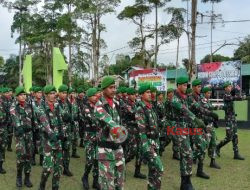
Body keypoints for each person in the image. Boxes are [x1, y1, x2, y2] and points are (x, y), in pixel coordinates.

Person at [171, 77, 206, 190]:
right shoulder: (174, 98)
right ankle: (186, 182)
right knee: (187, 154)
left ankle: (185, 182)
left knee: (187, 155)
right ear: (178, 85)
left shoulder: (184, 97)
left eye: (187, 85)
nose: (186, 87)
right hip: (178, 129)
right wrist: (196, 119)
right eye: (184, 85)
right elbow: (184, 110)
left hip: (185, 128)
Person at [94, 76, 126, 190]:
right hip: (105, 151)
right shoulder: (99, 106)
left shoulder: (116, 103)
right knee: (108, 184)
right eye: (111, 87)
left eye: (115, 87)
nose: (114, 90)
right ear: (103, 89)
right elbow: (111, 123)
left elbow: (121, 121)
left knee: (120, 182)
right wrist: (124, 133)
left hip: (117, 148)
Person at [135, 83, 164, 190]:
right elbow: (141, 132)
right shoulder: (140, 109)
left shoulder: (150, 107)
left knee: (153, 171)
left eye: (150, 92)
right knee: (159, 168)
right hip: (148, 144)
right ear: (141, 95)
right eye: (147, 92)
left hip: (155, 142)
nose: (150, 94)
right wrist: (146, 148)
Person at [38, 85, 64, 190]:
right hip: (48, 141)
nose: (53, 96)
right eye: (51, 94)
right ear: (46, 95)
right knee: (48, 168)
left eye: (54, 93)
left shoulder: (57, 106)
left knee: (58, 168)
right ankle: (42, 184)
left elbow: (62, 118)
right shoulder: (41, 107)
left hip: (58, 141)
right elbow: (44, 122)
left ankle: (55, 187)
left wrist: (63, 131)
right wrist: (51, 133)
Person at [10, 87, 34, 188]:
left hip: (29, 135)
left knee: (29, 156)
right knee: (21, 156)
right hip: (20, 136)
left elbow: (33, 118)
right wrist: (19, 126)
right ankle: (19, 177)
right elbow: (14, 117)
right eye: (21, 95)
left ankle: (27, 178)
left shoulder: (29, 105)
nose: (23, 96)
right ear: (17, 96)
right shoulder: (13, 106)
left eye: (24, 94)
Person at [216, 82, 247, 160]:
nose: (230, 87)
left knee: (235, 136)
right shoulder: (226, 95)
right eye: (229, 86)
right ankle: (218, 146)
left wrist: (241, 94)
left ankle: (236, 154)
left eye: (230, 86)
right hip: (229, 119)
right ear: (225, 88)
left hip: (233, 118)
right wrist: (243, 96)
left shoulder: (230, 95)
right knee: (229, 137)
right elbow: (234, 98)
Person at [81, 88, 100, 190]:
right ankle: (85, 177)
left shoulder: (99, 107)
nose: (96, 97)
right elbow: (94, 121)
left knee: (97, 159)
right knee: (90, 160)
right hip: (89, 137)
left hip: (98, 136)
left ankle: (95, 181)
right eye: (93, 95)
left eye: (96, 95)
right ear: (89, 97)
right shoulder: (86, 108)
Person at [201, 87, 221, 169]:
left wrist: (214, 120)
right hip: (205, 126)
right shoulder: (202, 102)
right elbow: (204, 114)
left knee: (213, 143)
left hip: (210, 125)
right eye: (208, 93)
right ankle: (196, 159)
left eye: (210, 93)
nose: (209, 94)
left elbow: (211, 111)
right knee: (204, 145)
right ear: (204, 93)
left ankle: (213, 161)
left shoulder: (208, 101)